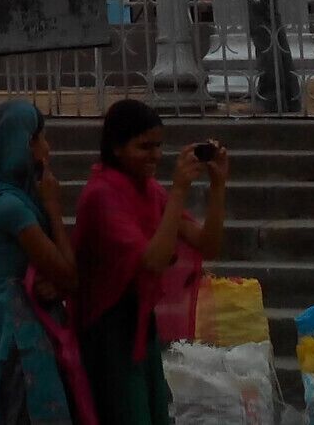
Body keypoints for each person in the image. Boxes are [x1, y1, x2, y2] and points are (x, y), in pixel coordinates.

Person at [73, 100, 228, 425]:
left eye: (158, 146)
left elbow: (207, 245)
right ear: (116, 147)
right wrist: (179, 191)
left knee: (153, 407)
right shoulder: (102, 194)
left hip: (139, 320)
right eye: (144, 147)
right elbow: (154, 261)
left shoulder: (150, 190)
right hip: (108, 325)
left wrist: (218, 187)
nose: (155, 156)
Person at [0, 100, 82, 425]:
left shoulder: (17, 198)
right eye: (39, 138)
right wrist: (54, 207)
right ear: (22, 145)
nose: (47, 147)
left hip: (28, 334)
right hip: (19, 346)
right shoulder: (10, 208)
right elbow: (69, 275)